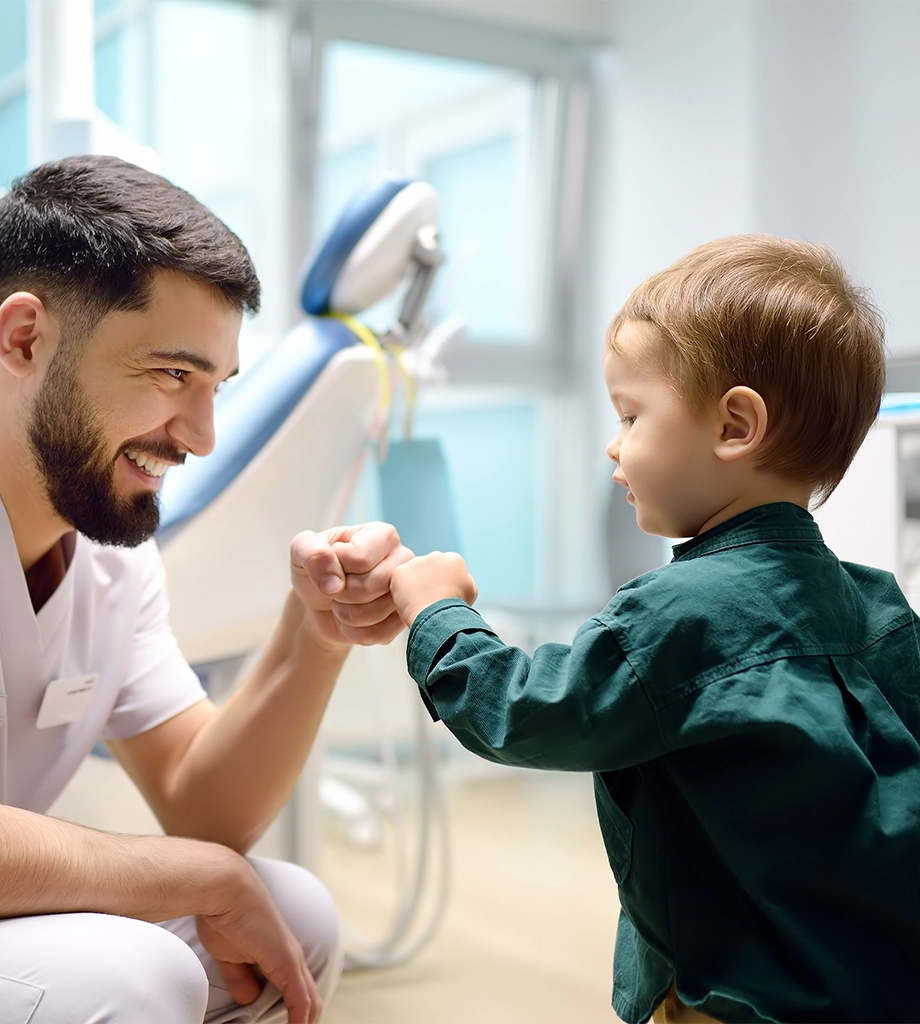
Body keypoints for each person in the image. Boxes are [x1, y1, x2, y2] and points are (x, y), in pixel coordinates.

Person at [0, 155, 411, 1024]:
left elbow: (205, 803)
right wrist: (203, 875)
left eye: (216, 388)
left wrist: (314, 634)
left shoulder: (108, 550)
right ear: (25, 339)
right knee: (140, 975)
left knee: (298, 918)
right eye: (173, 375)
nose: (203, 438)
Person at [389, 235, 920, 1022]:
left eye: (632, 415)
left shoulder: (677, 614)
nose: (615, 442)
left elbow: (523, 711)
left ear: (736, 425)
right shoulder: (877, 606)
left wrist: (437, 612)